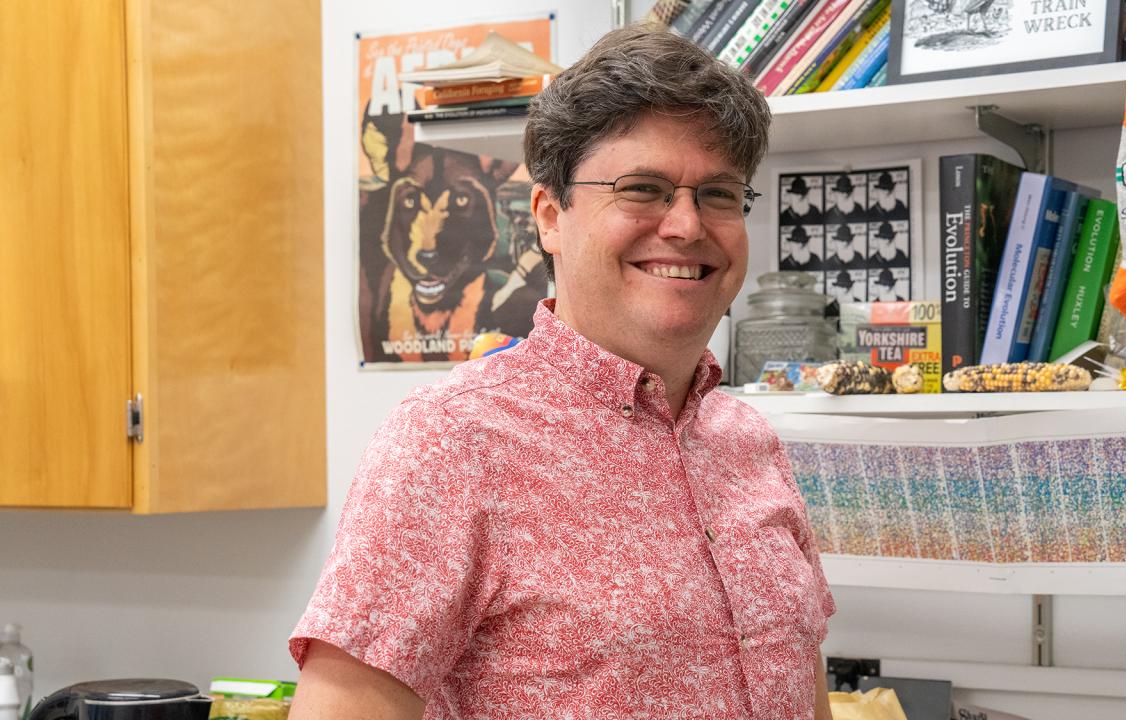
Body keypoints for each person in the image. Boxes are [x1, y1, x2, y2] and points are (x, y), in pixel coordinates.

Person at [289, 26, 836, 720]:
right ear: (550, 215)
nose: (686, 224)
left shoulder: (748, 439)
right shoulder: (452, 444)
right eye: (644, 189)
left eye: (720, 195)